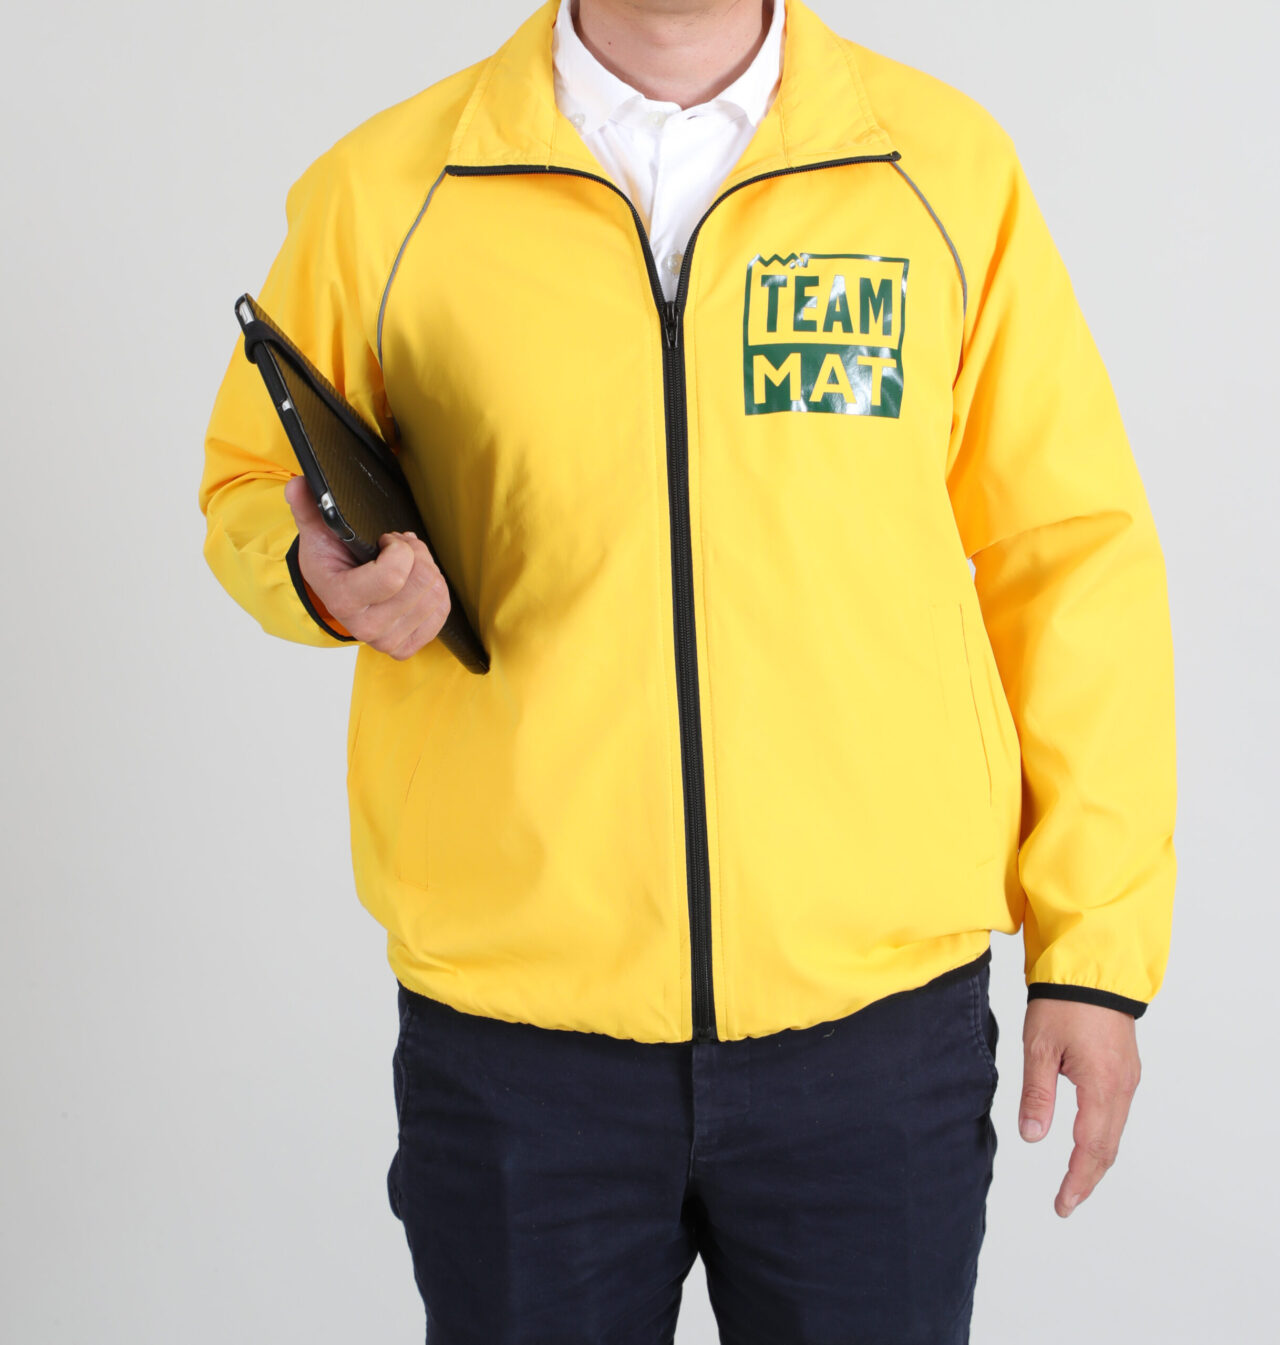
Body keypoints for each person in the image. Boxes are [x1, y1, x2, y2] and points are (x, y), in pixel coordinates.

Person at [198, 0, 1177, 1339]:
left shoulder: (941, 170)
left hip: (877, 1036)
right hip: (517, 1046)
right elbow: (252, 487)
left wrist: (1093, 952)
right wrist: (320, 572)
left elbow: (1068, 557)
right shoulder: (387, 190)